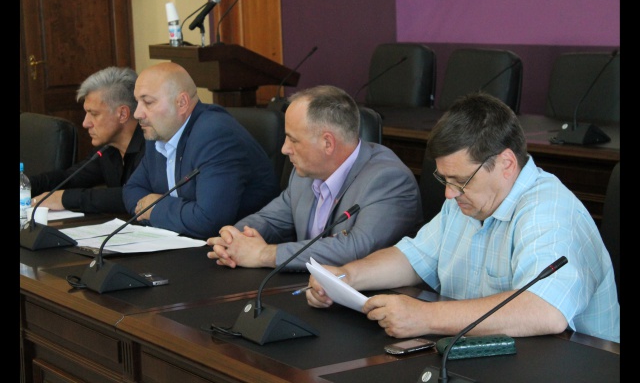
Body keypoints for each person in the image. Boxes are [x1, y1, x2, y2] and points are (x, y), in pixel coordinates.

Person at [305, 92, 620, 344]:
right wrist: (346, 276)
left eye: (460, 181)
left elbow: (544, 311)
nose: (449, 194)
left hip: (578, 364)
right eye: (444, 180)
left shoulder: (549, 211)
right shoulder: (467, 200)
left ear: (506, 164)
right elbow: (414, 257)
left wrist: (426, 317)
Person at [207, 85, 423, 271]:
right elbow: (270, 220)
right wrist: (234, 238)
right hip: (311, 288)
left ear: (327, 143)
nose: (284, 149)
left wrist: (264, 254)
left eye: (293, 140)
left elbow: (354, 250)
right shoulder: (305, 173)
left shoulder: (388, 180)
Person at [122, 62, 280, 240]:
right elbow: (132, 190)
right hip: (184, 242)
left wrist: (155, 209)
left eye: (148, 102)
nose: (137, 113)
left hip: (241, 246)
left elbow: (209, 221)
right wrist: (167, 212)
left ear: (182, 103)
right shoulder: (159, 133)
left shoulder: (215, 134)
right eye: (137, 102)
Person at [30, 66, 144, 214]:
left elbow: (136, 197)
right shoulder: (108, 149)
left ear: (122, 114)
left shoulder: (154, 149)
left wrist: (64, 199)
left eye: (94, 114)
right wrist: (27, 185)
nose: (85, 123)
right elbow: (70, 179)